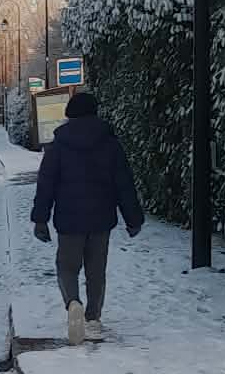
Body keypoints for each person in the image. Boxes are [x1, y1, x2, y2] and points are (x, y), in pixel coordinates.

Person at [31, 89, 143, 345]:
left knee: (67, 267)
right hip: (101, 218)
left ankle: (73, 303)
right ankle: (93, 319)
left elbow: (45, 184)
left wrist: (40, 219)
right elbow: (124, 184)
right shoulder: (111, 144)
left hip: (69, 220)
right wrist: (133, 218)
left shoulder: (58, 146)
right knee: (96, 271)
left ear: (70, 115)